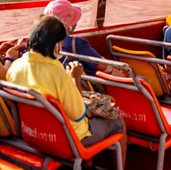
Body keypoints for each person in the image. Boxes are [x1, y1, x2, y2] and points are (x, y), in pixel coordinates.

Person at [7, 15, 127, 166]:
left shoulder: (15, 66)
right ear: (55, 44)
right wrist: (75, 79)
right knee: (119, 121)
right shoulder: (57, 72)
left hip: (31, 134)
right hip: (68, 140)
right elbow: (77, 114)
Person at [43, 0, 124, 76]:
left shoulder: (43, 42)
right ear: (68, 23)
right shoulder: (77, 43)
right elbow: (101, 65)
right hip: (88, 84)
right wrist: (115, 70)